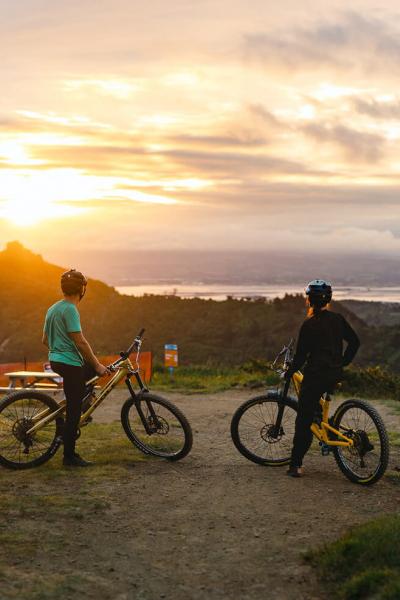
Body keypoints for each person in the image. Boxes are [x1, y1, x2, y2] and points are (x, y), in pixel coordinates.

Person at [285, 279, 360, 478]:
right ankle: (321, 421)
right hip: (335, 373)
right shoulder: (338, 319)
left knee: (303, 420)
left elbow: (300, 357)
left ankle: (296, 465)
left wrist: (289, 372)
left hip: (315, 376)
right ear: (328, 300)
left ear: (309, 301)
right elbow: (355, 342)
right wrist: (343, 363)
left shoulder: (309, 325)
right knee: (314, 405)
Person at [42, 269, 109, 467]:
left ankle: (83, 403)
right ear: (82, 289)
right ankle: (69, 457)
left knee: (86, 375)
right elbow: (80, 342)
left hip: (56, 360)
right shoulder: (70, 309)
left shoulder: (53, 308)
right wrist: (97, 364)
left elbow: (45, 340)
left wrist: (60, 350)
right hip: (70, 364)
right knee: (73, 412)